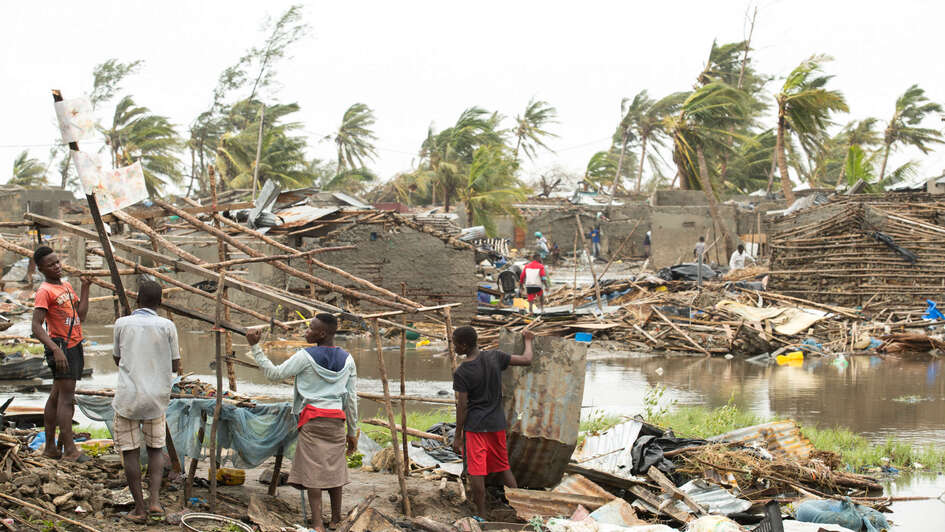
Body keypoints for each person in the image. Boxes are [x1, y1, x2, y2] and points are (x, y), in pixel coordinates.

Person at [248, 314, 358, 532]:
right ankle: (336, 519)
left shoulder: (305, 356)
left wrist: (255, 347)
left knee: (313, 473)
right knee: (334, 470)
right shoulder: (348, 359)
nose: (306, 332)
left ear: (322, 333)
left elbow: (274, 374)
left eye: (310, 328)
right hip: (336, 421)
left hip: (312, 420)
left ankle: (317, 524)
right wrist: (353, 432)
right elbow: (351, 399)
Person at [112, 280, 181, 523]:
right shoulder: (167, 326)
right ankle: (154, 502)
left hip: (128, 398)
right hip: (156, 398)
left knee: (130, 452)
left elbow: (117, 357)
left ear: (137, 300)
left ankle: (139, 509)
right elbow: (175, 364)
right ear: (160, 303)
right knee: (155, 449)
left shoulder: (122, 323)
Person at [451, 327, 535, 518]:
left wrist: (458, 437)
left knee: (476, 470)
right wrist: (528, 341)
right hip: (497, 424)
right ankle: (523, 510)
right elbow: (526, 359)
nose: (454, 347)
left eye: (455, 343)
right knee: (503, 467)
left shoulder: (462, 371)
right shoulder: (495, 357)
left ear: (464, 345)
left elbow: (462, 407)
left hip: (476, 427)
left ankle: (481, 514)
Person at [30, 246, 91, 462]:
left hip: (74, 344)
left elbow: (80, 316)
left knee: (57, 396)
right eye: (51, 265)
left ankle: (50, 448)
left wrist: (85, 288)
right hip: (61, 346)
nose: (56, 266)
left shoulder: (65, 286)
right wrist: (55, 350)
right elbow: (36, 326)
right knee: (67, 399)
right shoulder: (44, 291)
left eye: (57, 262)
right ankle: (70, 450)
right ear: (41, 269)